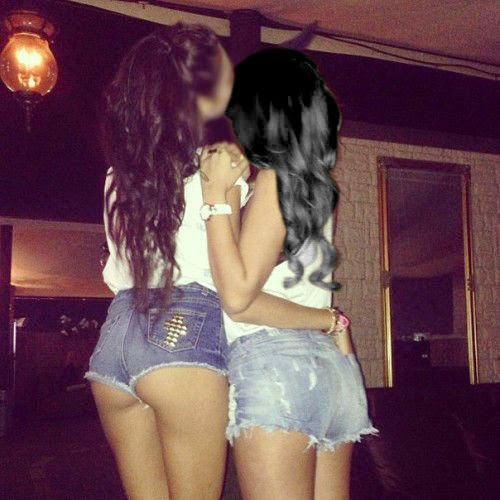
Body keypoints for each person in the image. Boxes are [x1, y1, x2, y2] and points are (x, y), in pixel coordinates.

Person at [84, 24, 346, 500]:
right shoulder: (218, 165)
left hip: (114, 341)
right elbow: (238, 277)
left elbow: (117, 271)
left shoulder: (115, 178)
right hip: (182, 334)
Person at [200, 47, 379, 500]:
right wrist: (326, 322)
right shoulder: (317, 186)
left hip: (276, 366)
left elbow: (238, 298)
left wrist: (215, 196)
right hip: (333, 372)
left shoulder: (276, 178)